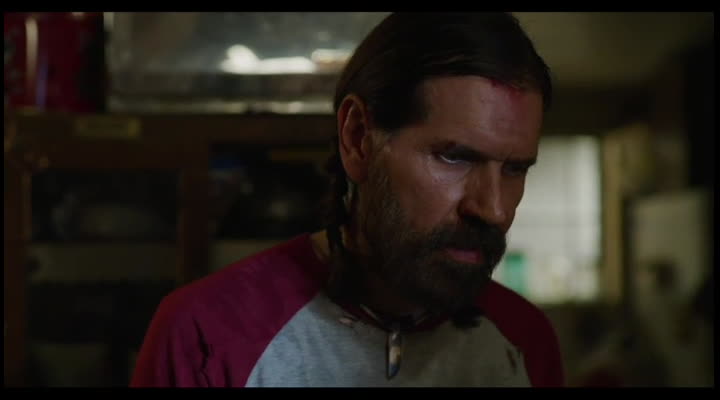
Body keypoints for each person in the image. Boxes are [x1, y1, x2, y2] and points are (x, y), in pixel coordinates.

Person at [131, 12, 564, 387]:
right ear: (358, 139)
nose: (494, 209)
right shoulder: (208, 335)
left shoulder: (523, 341)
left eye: (515, 169)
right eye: (455, 157)